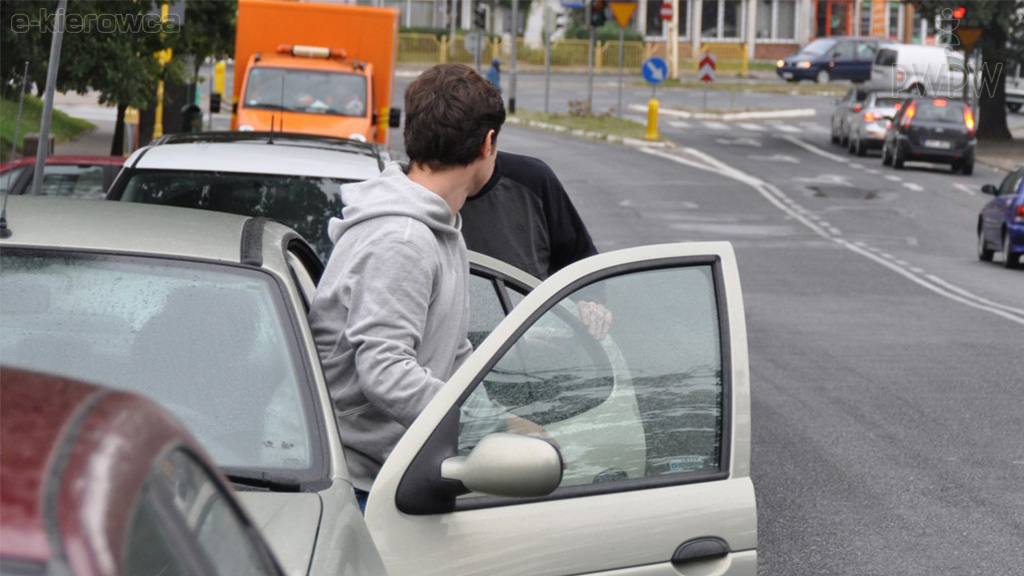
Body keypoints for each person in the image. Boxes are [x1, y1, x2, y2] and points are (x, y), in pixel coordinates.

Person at [307, 63, 506, 511]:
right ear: (487, 143)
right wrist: (479, 424)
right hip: (356, 487)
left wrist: (496, 424)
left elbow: (453, 356)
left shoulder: (439, 227)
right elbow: (385, 371)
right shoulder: (404, 239)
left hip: (395, 472)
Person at [460, 151, 612, 340]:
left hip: (530, 348)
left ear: (487, 142)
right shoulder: (417, 201)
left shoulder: (532, 180)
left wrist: (590, 302)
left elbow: (580, 263)